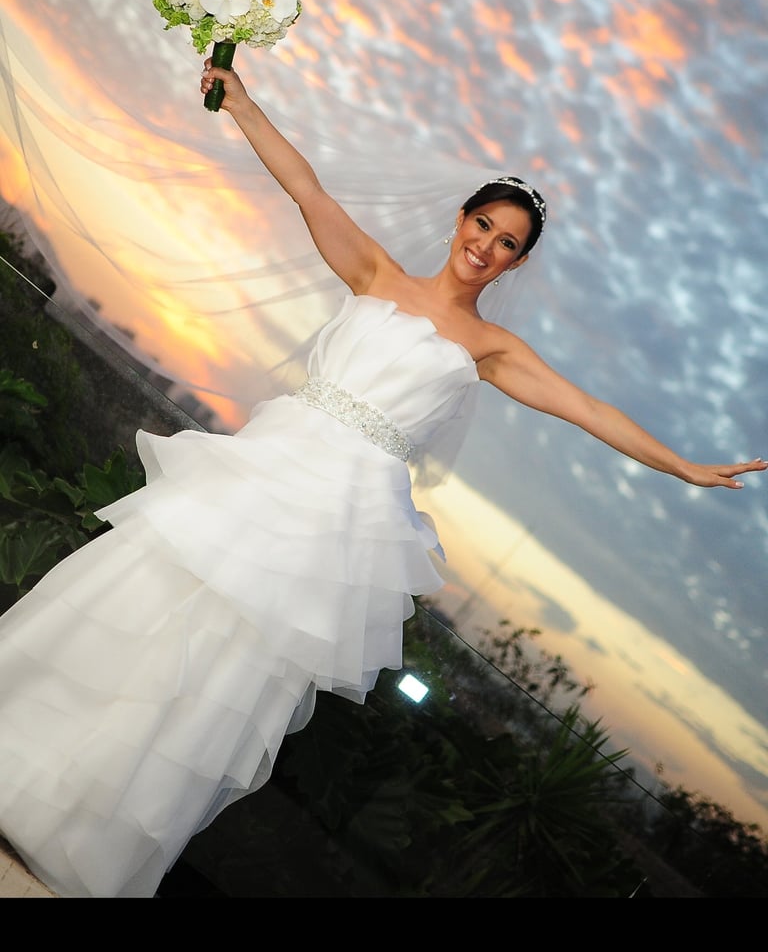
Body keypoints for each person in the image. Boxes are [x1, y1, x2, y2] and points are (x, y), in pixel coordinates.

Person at [0, 61, 764, 900]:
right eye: (484, 224)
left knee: (223, 669)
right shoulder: (374, 272)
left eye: (507, 243)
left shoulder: (492, 349)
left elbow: (588, 408)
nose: (487, 245)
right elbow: (306, 187)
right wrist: (243, 103)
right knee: (144, 600)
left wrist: (683, 464)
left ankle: (82, 829)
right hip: (268, 471)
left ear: (515, 263)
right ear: (461, 218)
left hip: (336, 521)